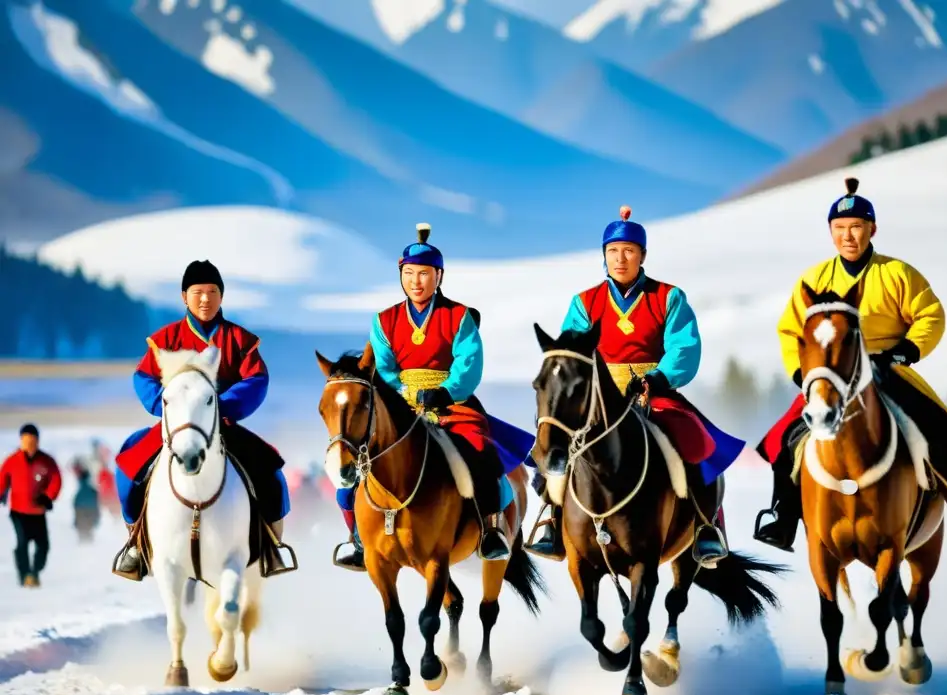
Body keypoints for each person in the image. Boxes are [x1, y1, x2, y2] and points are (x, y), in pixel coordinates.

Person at [752, 177, 947, 553]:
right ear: (831, 232)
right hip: (831, 375)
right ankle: (782, 517)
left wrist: (907, 349)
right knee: (786, 439)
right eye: (840, 229)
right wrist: (804, 373)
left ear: (872, 229)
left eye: (856, 227)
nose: (848, 236)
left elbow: (931, 314)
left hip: (889, 369)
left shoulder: (898, 273)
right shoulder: (813, 280)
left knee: (938, 429)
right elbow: (791, 330)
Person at [526, 206, 745, 565]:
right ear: (604, 257)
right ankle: (551, 516)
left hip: (653, 391)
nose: (620, 258)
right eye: (613, 251)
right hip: (598, 399)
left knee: (694, 440)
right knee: (557, 438)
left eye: (628, 250)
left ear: (642, 255)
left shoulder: (668, 297)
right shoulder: (585, 302)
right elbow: (571, 354)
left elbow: (684, 346)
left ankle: (707, 525)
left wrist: (658, 378)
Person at [333, 223, 536, 571]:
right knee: (355, 467)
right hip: (399, 410)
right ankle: (356, 539)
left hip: (453, 405)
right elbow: (383, 367)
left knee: (481, 453)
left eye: (424, 274)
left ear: (439, 276)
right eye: (409, 273)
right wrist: (405, 393)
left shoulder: (458, 317)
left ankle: (491, 532)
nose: (416, 281)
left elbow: (469, 363)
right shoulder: (384, 320)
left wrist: (444, 391)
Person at [112, 260, 292, 579]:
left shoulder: (240, 340)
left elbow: (256, 380)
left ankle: (271, 546)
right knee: (127, 470)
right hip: (177, 428)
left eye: (212, 292)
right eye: (198, 292)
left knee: (272, 476)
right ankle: (137, 545)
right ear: (184, 296)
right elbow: (143, 377)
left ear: (222, 296)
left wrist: (220, 407)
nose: (205, 299)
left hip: (222, 425)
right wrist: (168, 406)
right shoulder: (165, 339)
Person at [0, 424, 62, 587]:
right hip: (18, 512)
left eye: (32, 440)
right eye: (26, 440)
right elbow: (3, 477)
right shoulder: (12, 461)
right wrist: (1, 493)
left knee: (43, 545)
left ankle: (35, 572)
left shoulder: (46, 461)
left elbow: (56, 480)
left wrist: (48, 497)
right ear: (21, 441)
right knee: (22, 543)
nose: (29, 444)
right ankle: (25, 576)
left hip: (38, 512)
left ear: (37, 441)